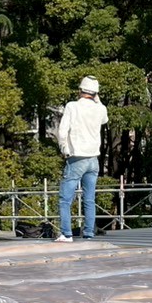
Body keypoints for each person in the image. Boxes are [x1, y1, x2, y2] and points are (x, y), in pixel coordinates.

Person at [55, 76, 109, 242]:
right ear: (95, 93)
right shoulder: (100, 109)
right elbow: (105, 119)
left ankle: (66, 234)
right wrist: (97, 99)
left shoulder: (72, 106)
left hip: (77, 157)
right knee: (89, 199)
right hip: (93, 159)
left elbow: (62, 131)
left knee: (65, 199)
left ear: (80, 90)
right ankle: (88, 234)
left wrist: (64, 149)